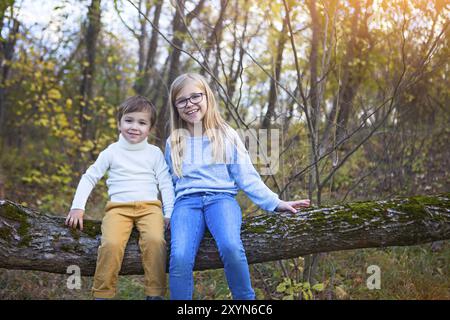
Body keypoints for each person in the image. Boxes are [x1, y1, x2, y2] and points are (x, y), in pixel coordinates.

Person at [165, 73, 310, 300]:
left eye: (195, 96)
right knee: (180, 256)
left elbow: (247, 176)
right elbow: (169, 184)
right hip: (186, 204)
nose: (190, 104)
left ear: (207, 98)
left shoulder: (226, 134)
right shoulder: (174, 140)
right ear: (175, 106)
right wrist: (167, 213)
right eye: (182, 100)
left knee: (231, 247)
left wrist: (275, 202)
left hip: (220, 200)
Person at [65, 95, 174, 300]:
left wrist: (169, 213)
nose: (134, 127)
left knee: (155, 241)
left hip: (150, 208)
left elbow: (166, 183)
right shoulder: (111, 152)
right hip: (118, 209)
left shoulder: (154, 153)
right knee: (111, 244)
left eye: (142, 123)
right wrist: (77, 207)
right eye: (129, 120)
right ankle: (103, 293)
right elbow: (89, 177)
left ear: (150, 129)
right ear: (119, 123)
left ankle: (155, 293)